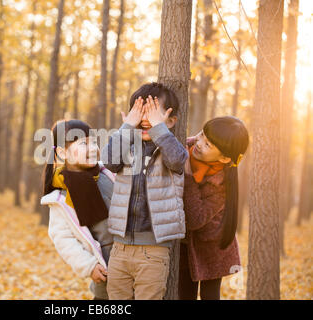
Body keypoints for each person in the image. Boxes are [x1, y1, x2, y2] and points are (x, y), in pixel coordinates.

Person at [101, 82, 188, 300]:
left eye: (154, 113)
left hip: (154, 250)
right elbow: (109, 162)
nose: (146, 119)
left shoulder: (171, 149)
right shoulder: (126, 147)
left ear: (171, 120)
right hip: (119, 248)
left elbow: (177, 161)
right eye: (140, 113)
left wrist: (159, 128)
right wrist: (127, 127)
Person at [41, 119, 115, 300]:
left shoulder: (107, 174)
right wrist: (88, 266)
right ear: (62, 152)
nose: (92, 148)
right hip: (104, 264)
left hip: (130, 255)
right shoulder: (61, 197)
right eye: (83, 144)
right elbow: (63, 238)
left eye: (94, 142)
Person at [179, 116, 249, 300]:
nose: (200, 143)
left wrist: (188, 176)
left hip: (212, 247)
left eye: (208, 144)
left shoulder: (222, 185)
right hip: (186, 244)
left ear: (225, 158)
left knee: (210, 295)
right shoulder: (190, 146)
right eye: (202, 135)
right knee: (184, 294)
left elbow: (195, 218)